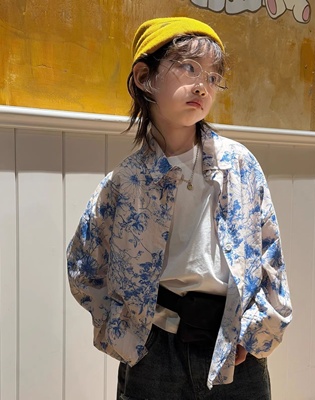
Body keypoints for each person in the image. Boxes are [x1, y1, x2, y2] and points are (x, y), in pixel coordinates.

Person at [67, 16, 292, 400]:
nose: (202, 85)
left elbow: (270, 254)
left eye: (212, 76)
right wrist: (124, 334)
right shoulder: (125, 181)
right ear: (145, 77)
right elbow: (83, 264)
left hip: (235, 347)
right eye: (188, 67)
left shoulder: (239, 165)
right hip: (155, 353)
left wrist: (256, 332)